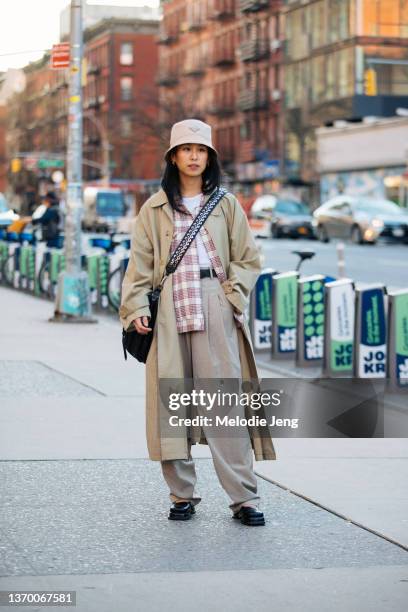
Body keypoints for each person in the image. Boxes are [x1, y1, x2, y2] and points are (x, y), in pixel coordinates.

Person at [119, 119, 276, 526]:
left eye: (201, 150)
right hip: (169, 309)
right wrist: (136, 306)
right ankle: (181, 495)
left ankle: (244, 498)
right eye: (186, 149)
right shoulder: (153, 208)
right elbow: (139, 268)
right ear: (173, 156)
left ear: (210, 157)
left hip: (213, 302)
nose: (194, 156)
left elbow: (248, 258)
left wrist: (231, 297)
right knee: (172, 403)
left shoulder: (225, 204)